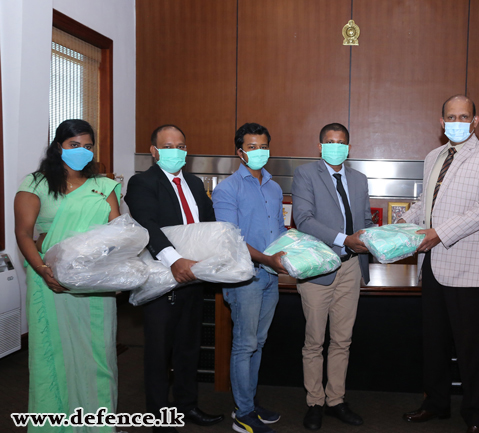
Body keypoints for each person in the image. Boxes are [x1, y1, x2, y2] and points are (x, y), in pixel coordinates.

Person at [400, 95, 479, 433]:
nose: (457, 122)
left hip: (465, 266)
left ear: (475, 121)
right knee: (434, 341)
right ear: (441, 121)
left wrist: (439, 233)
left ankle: (477, 414)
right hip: (431, 265)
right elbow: (425, 204)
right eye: (450, 116)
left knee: (471, 345)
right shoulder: (433, 156)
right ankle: (437, 403)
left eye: (464, 116)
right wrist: (399, 226)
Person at [14, 119, 121, 432]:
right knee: (55, 357)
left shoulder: (103, 186)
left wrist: (116, 271)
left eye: (88, 146)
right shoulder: (35, 183)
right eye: (75, 145)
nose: (82, 151)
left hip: (96, 285)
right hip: (52, 283)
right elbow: (23, 234)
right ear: (58, 145)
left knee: (98, 358)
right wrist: (44, 271)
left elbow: (119, 234)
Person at [125, 125, 224, 433]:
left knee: (188, 348)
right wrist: (174, 260)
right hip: (161, 278)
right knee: (158, 352)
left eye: (181, 146)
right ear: (154, 151)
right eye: (168, 146)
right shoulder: (142, 182)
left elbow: (208, 224)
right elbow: (148, 224)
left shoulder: (195, 183)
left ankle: (187, 405)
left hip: (194, 278)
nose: (176, 151)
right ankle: (158, 418)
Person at [291, 123, 372, 431]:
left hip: (352, 267)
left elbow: (364, 220)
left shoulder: (359, 179)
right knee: (314, 340)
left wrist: (384, 238)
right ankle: (314, 401)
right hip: (318, 266)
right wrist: (344, 238)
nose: (335, 146)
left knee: (342, 339)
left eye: (341, 142)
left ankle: (335, 400)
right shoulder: (306, 174)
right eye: (329, 142)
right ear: (320, 145)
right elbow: (304, 219)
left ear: (348, 147)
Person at [212, 123, 287, 433]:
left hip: (271, 277)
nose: (259, 152)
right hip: (245, 278)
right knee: (244, 344)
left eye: (263, 146)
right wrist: (268, 258)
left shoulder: (274, 187)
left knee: (259, 342)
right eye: (252, 147)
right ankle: (242, 413)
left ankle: (250, 403)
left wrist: (291, 249)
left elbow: (279, 231)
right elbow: (231, 239)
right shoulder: (227, 189)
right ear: (239, 152)